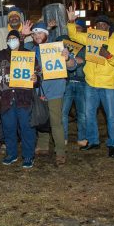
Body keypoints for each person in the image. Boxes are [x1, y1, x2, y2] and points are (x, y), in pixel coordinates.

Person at [66, 10, 114, 157]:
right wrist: (72, 22)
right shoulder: (91, 38)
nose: (101, 27)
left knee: (111, 116)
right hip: (91, 83)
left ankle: (113, 144)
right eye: (98, 24)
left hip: (108, 85)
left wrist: (108, 56)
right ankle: (93, 141)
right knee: (89, 114)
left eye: (104, 24)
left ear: (109, 27)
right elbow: (74, 36)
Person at [25, 22, 75, 166]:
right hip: (37, 89)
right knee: (40, 116)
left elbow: (73, 65)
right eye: (34, 34)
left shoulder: (57, 47)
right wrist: (23, 35)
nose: (37, 36)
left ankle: (60, 152)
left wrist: (67, 59)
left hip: (54, 89)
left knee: (55, 121)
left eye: (39, 33)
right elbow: (17, 52)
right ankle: (43, 145)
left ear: (46, 34)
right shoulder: (30, 48)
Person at [0, 30, 38, 168]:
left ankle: (28, 156)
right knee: (8, 128)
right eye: (9, 38)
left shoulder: (28, 54)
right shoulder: (0, 55)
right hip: (6, 98)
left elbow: (38, 72)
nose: (12, 40)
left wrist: (36, 78)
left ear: (19, 40)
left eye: (14, 38)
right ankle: (11, 154)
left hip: (24, 97)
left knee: (26, 128)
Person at [61, 19, 87, 148]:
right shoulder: (64, 42)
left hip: (82, 81)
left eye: (79, 28)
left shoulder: (86, 45)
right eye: (74, 28)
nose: (76, 30)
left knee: (82, 113)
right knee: (63, 112)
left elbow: (88, 61)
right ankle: (63, 137)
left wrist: (82, 60)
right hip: (67, 81)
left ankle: (82, 137)